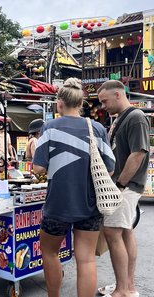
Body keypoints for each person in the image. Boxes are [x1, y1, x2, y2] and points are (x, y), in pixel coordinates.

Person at [33, 78, 115, 297]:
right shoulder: (97, 128)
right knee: (86, 258)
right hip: (89, 204)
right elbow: (110, 169)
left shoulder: (48, 127)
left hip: (57, 204)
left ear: (59, 103)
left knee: (50, 253)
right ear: (80, 103)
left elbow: (38, 167)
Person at [97, 80, 149, 297]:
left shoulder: (136, 117)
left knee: (112, 232)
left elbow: (139, 153)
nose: (103, 106)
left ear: (118, 94)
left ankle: (122, 291)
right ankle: (128, 286)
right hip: (123, 185)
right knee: (125, 232)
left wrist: (119, 186)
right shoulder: (121, 119)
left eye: (104, 101)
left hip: (126, 186)